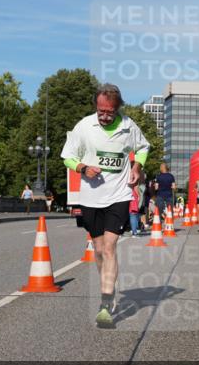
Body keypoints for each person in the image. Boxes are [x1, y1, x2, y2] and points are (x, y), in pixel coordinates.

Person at [61, 84, 149, 328]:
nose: (105, 115)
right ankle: (108, 283)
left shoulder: (128, 126)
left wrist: (136, 167)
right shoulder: (84, 126)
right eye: (101, 110)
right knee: (98, 250)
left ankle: (105, 302)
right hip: (90, 197)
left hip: (118, 195)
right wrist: (83, 168)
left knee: (109, 247)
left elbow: (143, 147)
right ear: (96, 107)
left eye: (109, 111)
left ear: (117, 108)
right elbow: (68, 156)